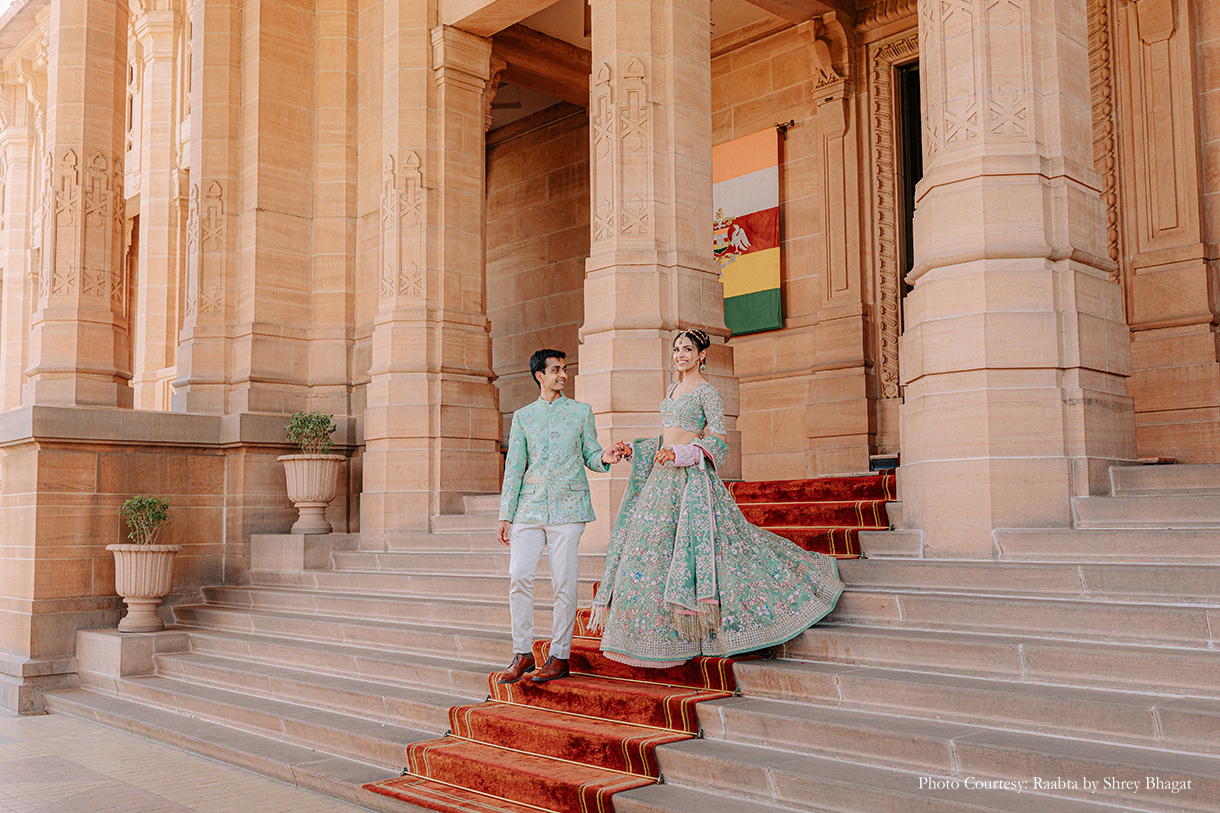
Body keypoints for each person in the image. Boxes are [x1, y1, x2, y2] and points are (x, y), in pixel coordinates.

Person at [590, 329, 845, 667]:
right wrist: (636, 451)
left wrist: (682, 454)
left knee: (706, 550)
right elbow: (665, 438)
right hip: (660, 482)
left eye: (687, 349)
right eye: (677, 349)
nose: (680, 355)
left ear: (702, 355)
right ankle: (656, 636)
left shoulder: (708, 393)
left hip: (691, 481)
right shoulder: (672, 390)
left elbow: (720, 442)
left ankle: (699, 631)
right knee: (653, 553)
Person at [496, 349, 629, 684]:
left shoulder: (580, 412)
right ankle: (523, 653)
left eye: (565, 369)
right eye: (556, 369)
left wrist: (606, 456)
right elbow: (515, 467)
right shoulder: (523, 416)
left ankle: (559, 656)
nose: (563, 375)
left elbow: (591, 453)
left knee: (564, 583)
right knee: (519, 577)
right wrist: (505, 514)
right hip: (528, 508)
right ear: (539, 375)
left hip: (569, 509)